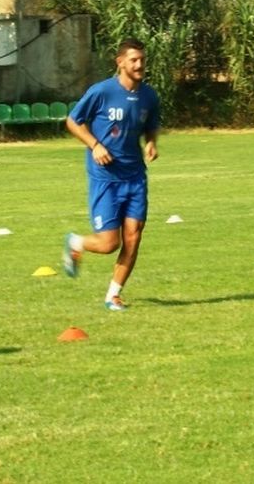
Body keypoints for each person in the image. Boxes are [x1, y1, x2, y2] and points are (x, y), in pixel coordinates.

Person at [62, 39, 160, 310]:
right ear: (120, 62)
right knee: (108, 244)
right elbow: (73, 121)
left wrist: (151, 142)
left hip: (135, 176)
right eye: (134, 60)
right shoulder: (102, 92)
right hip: (106, 177)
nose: (139, 65)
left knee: (134, 235)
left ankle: (113, 295)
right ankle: (76, 242)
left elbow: (151, 124)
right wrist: (95, 145)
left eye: (142, 59)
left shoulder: (149, 96)